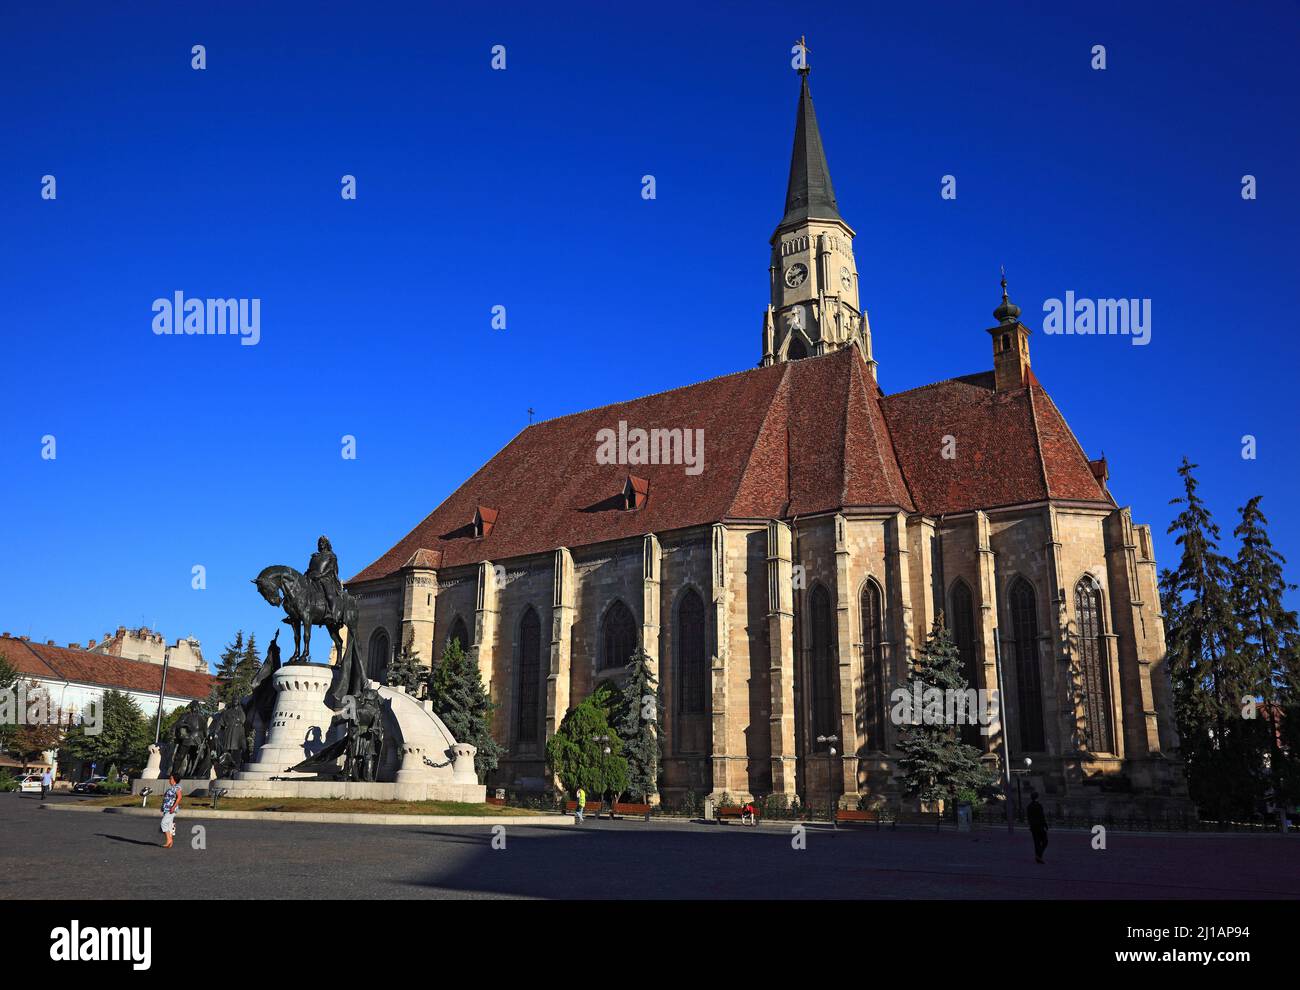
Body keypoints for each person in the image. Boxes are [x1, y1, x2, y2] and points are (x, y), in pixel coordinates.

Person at [160, 771, 182, 849]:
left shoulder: (177, 787)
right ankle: (170, 841)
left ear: (174, 779)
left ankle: (169, 840)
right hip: (167, 809)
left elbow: (179, 797)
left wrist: (173, 807)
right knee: (169, 825)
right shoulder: (172, 788)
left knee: (163, 823)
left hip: (171, 809)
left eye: (171, 778)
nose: (169, 780)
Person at [1026, 790, 1048, 864]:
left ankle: (1038, 857)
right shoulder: (1038, 806)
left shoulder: (1029, 806)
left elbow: (1029, 817)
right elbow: (1041, 816)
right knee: (1045, 841)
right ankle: (1039, 856)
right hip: (1040, 826)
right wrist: (1045, 825)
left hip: (1033, 827)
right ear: (1037, 797)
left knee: (1036, 842)